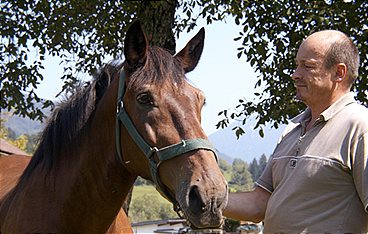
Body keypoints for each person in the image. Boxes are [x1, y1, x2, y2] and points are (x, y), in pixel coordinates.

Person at [224, 30, 368, 233]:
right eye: (297, 64)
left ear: (339, 73)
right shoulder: (292, 130)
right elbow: (259, 204)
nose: (295, 74)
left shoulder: (360, 126)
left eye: (307, 66)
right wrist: (205, 199)